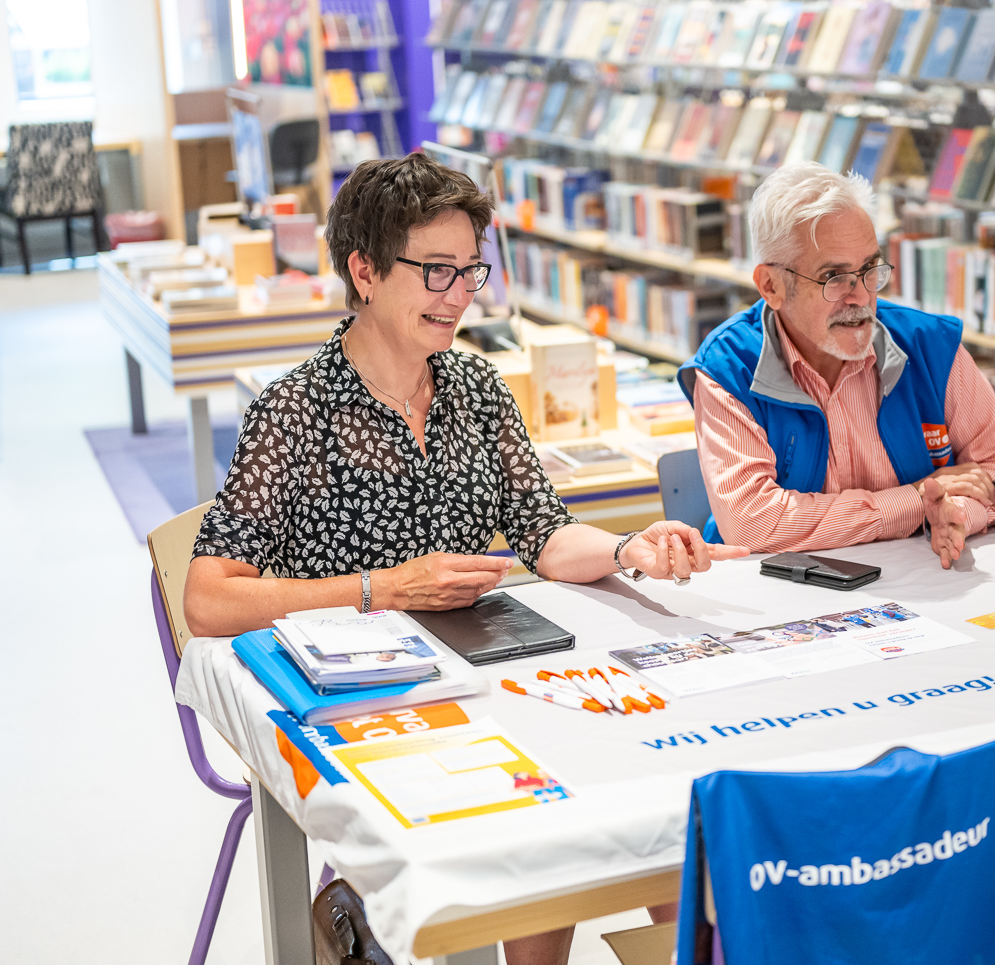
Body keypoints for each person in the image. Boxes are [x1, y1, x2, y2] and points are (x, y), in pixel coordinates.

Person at [184, 153, 744, 965]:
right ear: (365, 272)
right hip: (372, 705)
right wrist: (383, 588)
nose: (457, 296)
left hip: (485, 676)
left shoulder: (476, 388)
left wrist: (630, 548)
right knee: (543, 830)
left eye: (470, 271)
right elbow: (209, 599)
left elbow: (544, 534)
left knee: (664, 819)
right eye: (435, 271)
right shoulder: (293, 410)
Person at [678, 162, 995, 568]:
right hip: (775, 590)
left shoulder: (930, 346)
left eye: (869, 270)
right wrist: (914, 500)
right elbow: (753, 523)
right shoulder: (729, 368)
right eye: (833, 276)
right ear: (771, 286)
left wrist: (955, 513)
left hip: (919, 578)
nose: (861, 297)